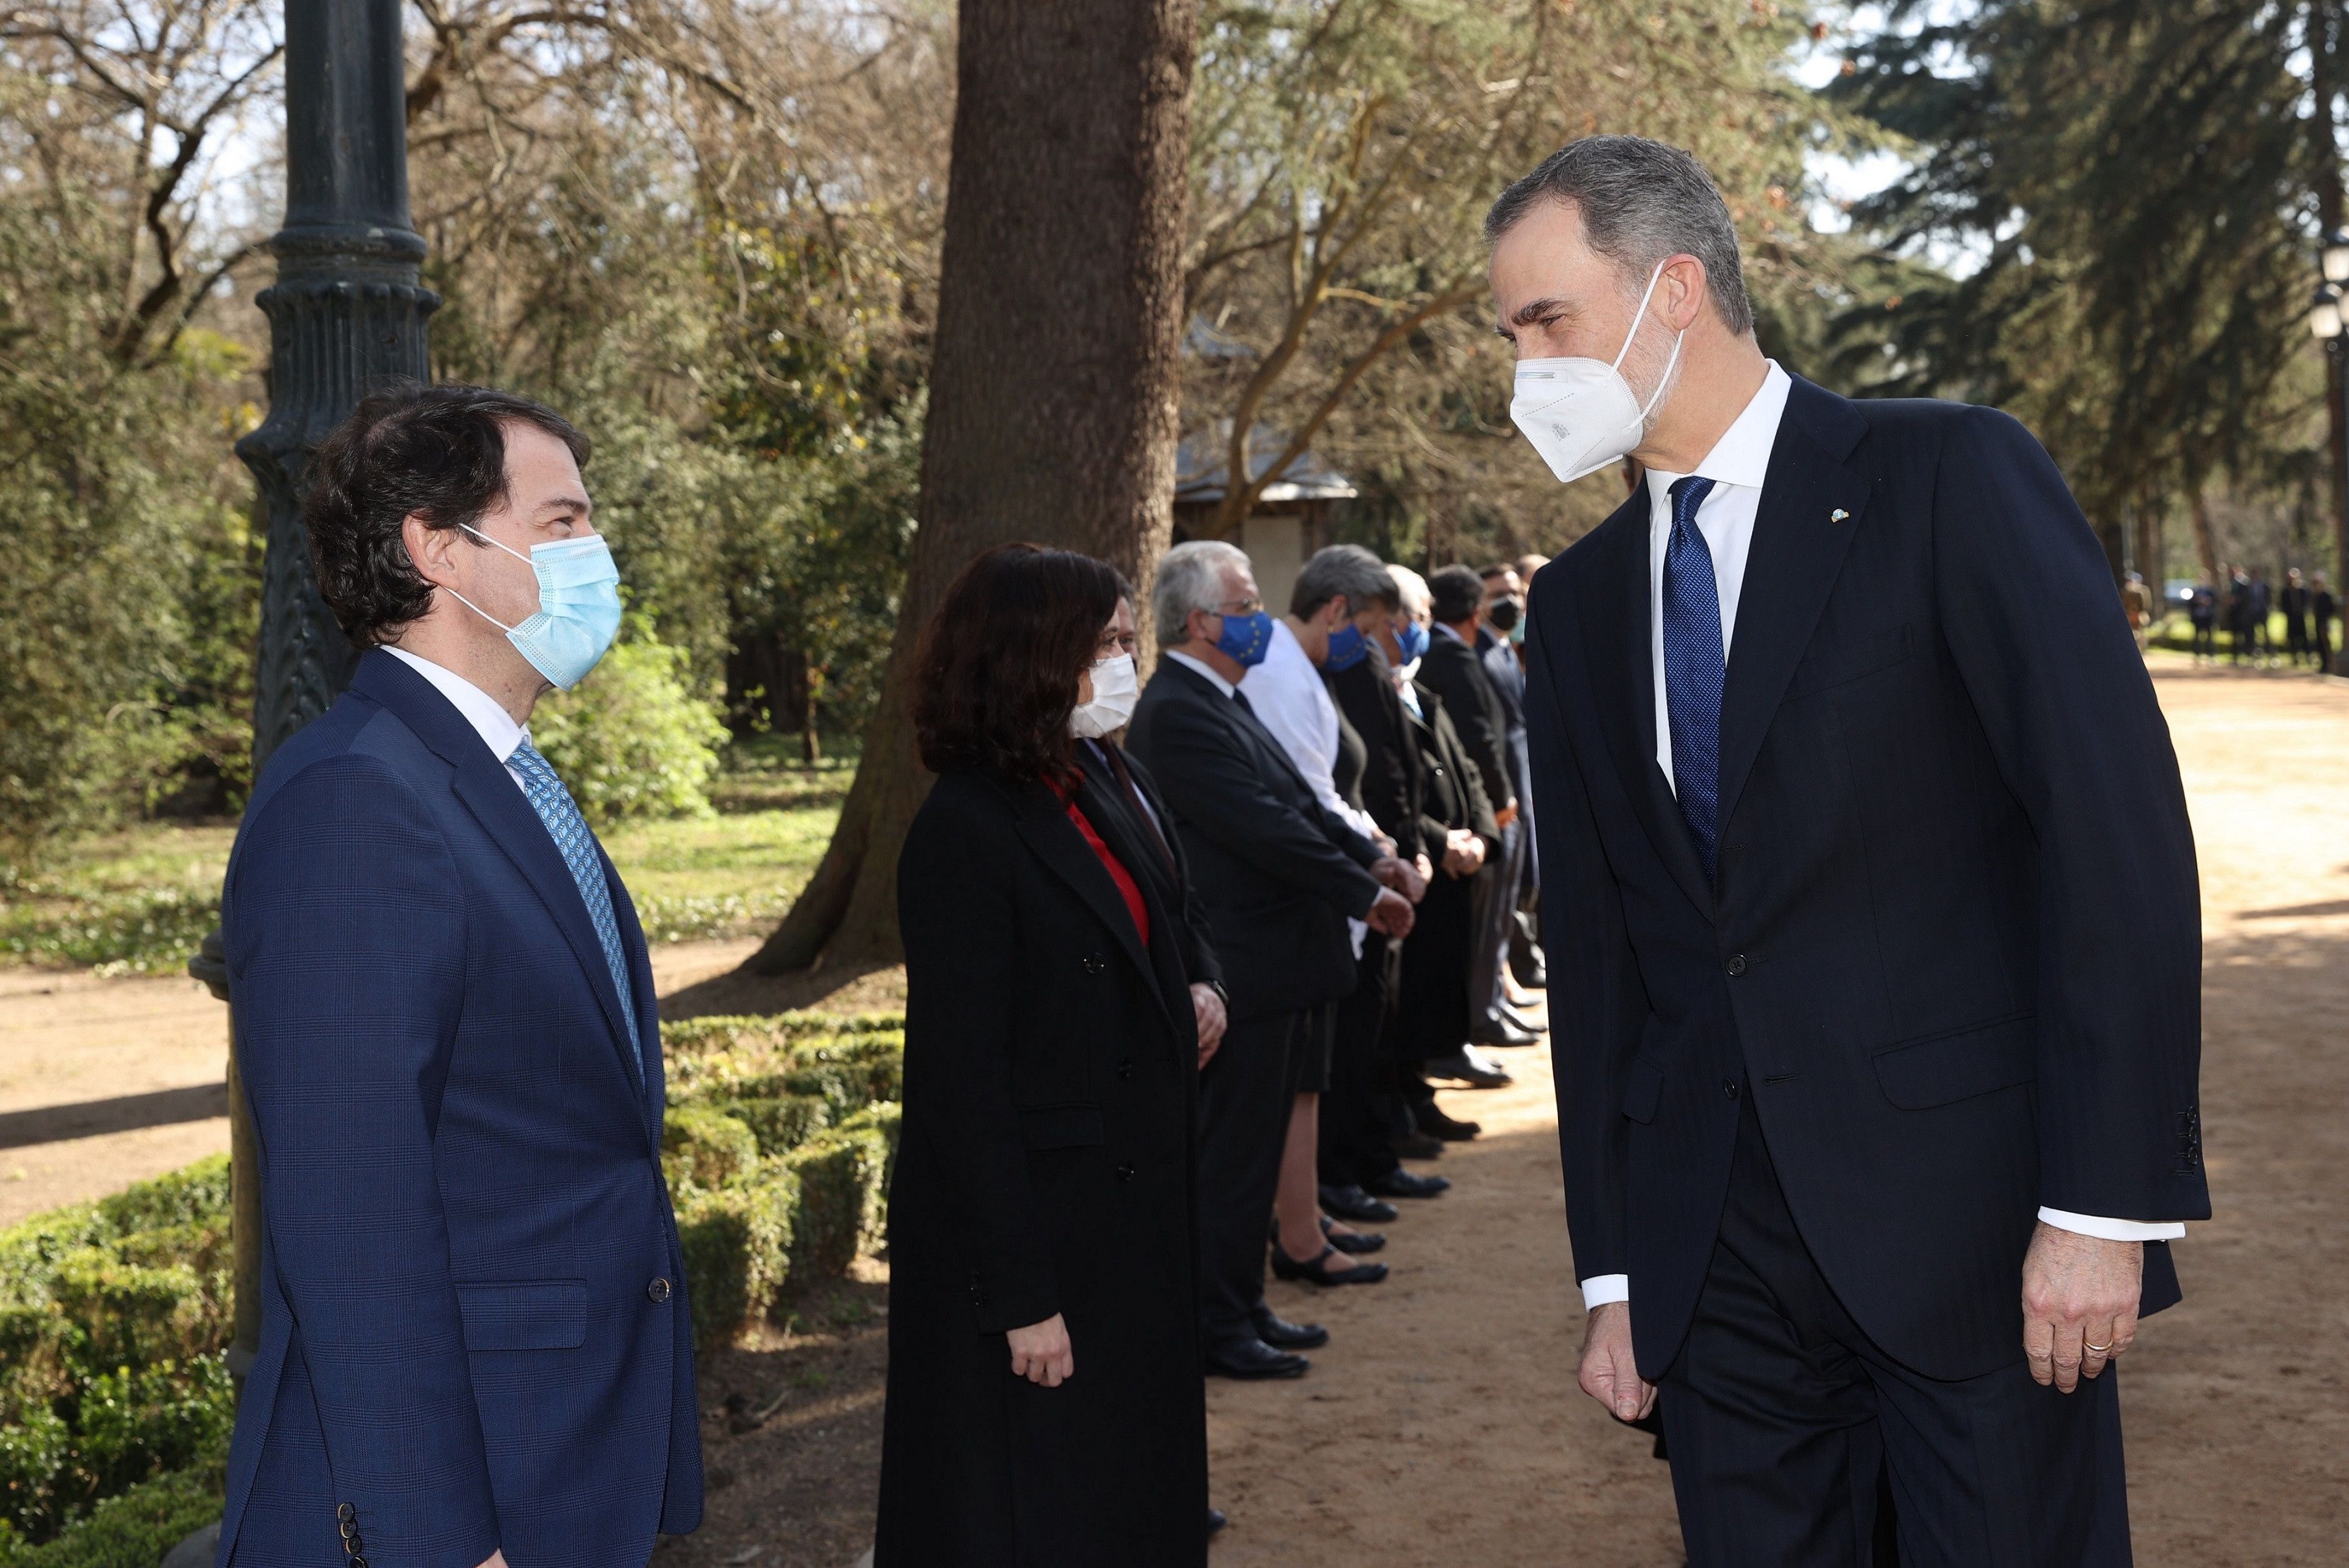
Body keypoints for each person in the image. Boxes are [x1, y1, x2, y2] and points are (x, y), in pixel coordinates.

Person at [1494, 136, 2205, 1563]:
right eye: (1508, 333)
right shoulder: (1571, 608)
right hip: (1718, 1269)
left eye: (1544, 321)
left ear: (1673, 290)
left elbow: (2109, 843)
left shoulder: (1944, 475)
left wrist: (2099, 1206)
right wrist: (1618, 1268)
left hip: (1972, 1238)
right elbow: (1603, 952)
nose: (1521, 365)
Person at [216, 384, 703, 1566]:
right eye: (564, 522)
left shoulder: (494, 775)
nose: (598, 556)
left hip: (565, 1454)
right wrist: (437, 1538)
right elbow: (350, 1218)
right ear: (440, 549)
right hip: (463, 1500)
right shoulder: (355, 798)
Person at [878, 545, 1211, 1565]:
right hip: (1039, 1241)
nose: (1125, 663)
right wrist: (1021, 1295)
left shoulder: (1098, 773)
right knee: (1037, 1512)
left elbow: (1175, 919)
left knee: (1133, 1495)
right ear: (1029, 658)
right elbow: (959, 1085)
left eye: (1127, 639)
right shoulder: (965, 829)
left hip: (1130, 1217)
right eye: (1104, 643)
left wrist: (1203, 990)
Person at [1127, 540, 1418, 1379]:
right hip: (1246, 959)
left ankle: (1246, 1302)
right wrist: (1362, 889)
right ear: (1200, 621)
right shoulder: (1178, 707)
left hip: (1281, 954)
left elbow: (1294, 798)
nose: (1260, 618)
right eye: (1246, 604)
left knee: (1253, 1152)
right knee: (1232, 1158)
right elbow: (1260, 823)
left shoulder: (1221, 694)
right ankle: (1219, 1319)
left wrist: (1367, 860)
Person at [1238, 544, 1430, 1284]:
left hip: (1329, 896)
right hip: (1302, 905)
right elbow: (1304, 798)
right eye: (1373, 624)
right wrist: (1373, 856)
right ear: (1338, 610)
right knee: (1302, 1078)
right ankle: (1296, 1221)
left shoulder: (1304, 670)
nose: (1376, 642)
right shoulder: (1283, 675)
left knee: (1313, 1078)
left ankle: (1303, 1212)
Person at [1383, 565, 1509, 1117]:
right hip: (1424, 864)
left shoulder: (1420, 689)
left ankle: (1423, 1090)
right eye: (1419, 616)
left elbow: (1467, 770)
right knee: (1409, 998)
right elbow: (1383, 794)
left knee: (1447, 974)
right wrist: (1443, 841)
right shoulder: (1377, 693)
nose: (1426, 627)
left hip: (1458, 863)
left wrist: (1482, 833)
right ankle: (1409, 1098)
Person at [1420, 564, 1533, 1067]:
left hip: (1496, 803)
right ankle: (1480, 1012)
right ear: (1475, 609)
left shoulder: (1472, 652)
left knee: (1497, 912)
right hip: (1488, 809)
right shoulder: (1456, 656)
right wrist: (1502, 800)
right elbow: (1479, 739)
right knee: (1483, 917)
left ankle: (1489, 1003)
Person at [2281, 567, 2311, 667]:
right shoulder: (2286, 591)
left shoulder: (2303, 589)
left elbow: (2306, 602)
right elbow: (2283, 604)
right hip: (2291, 617)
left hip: (2300, 616)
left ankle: (2308, 656)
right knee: (2292, 638)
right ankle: (2295, 657)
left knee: (2304, 637)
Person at [2189, 577, 2217, 663]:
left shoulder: (2211, 591)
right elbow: (2190, 604)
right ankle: (2197, 656)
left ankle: (2211, 656)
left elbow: (2216, 602)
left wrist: (2208, 602)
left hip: (2208, 618)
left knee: (2210, 638)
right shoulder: (2195, 591)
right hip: (2198, 618)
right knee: (2197, 638)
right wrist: (2197, 601)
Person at [2316, 573, 2338, 672]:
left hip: (2325, 622)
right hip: (2318, 622)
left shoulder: (2327, 595)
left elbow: (2332, 609)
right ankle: (2324, 665)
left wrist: (2327, 619)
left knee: (2327, 645)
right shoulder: (2317, 595)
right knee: (2320, 644)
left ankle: (2331, 666)